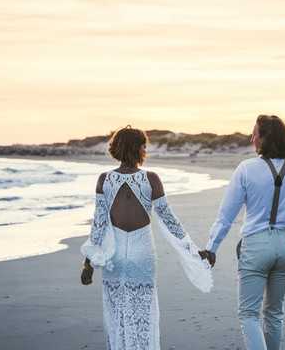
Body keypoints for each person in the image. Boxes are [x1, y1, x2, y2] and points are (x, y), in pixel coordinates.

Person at [80, 126, 212, 350]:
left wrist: (88, 263)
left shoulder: (104, 180)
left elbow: (99, 224)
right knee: (143, 313)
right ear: (137, 148)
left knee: (117, 314)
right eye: (143, 145)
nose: (145, 150)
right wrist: (192, 249)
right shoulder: (151, 179)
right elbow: (170, 221)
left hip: (114, 257)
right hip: (143, 255)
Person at [200, 115, 285, 350]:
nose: (251, 138)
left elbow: (226, 215)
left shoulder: (246, 169)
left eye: (255, 133)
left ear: (265, 138)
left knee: (248, 315)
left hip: (255, 246)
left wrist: (212, 247)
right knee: (274, 314)